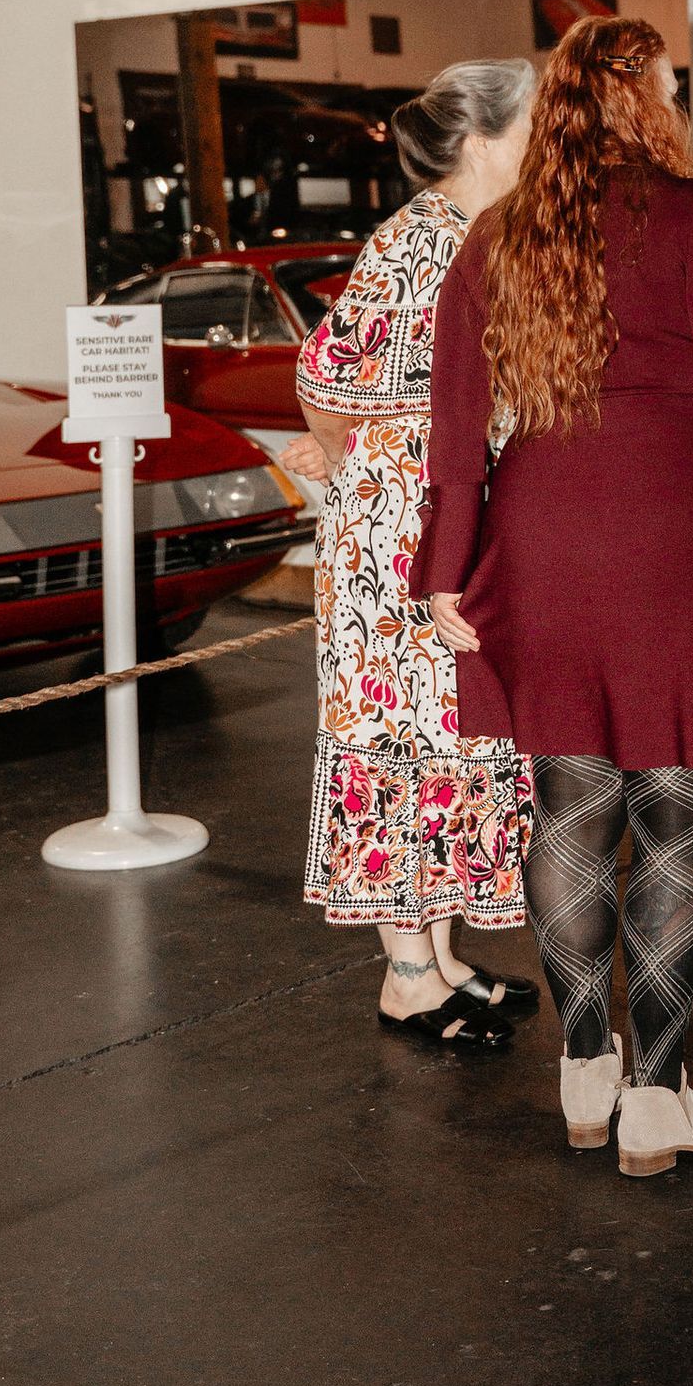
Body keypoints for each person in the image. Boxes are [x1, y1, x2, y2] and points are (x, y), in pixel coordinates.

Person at [416, 15, 693, 1176]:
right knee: (677, 815)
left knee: (569, 803)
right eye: (675, 85)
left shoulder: (496, 233)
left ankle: (586, 1066)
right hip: (670, 531)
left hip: (542, 534)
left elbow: (455, 423)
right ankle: (658, 1097)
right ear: (645, 101)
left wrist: (444, 565)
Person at [288, 59, 541, 1046]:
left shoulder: (474, 234)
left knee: (447, 736)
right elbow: (325, 369)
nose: (543, 142)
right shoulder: (418, 241)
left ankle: (437, 956)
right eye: (530, 126)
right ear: (481, 141)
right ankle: (406, 975)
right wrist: (365, 468)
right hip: (399, 541)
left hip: (441, 521)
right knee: (401, 741)